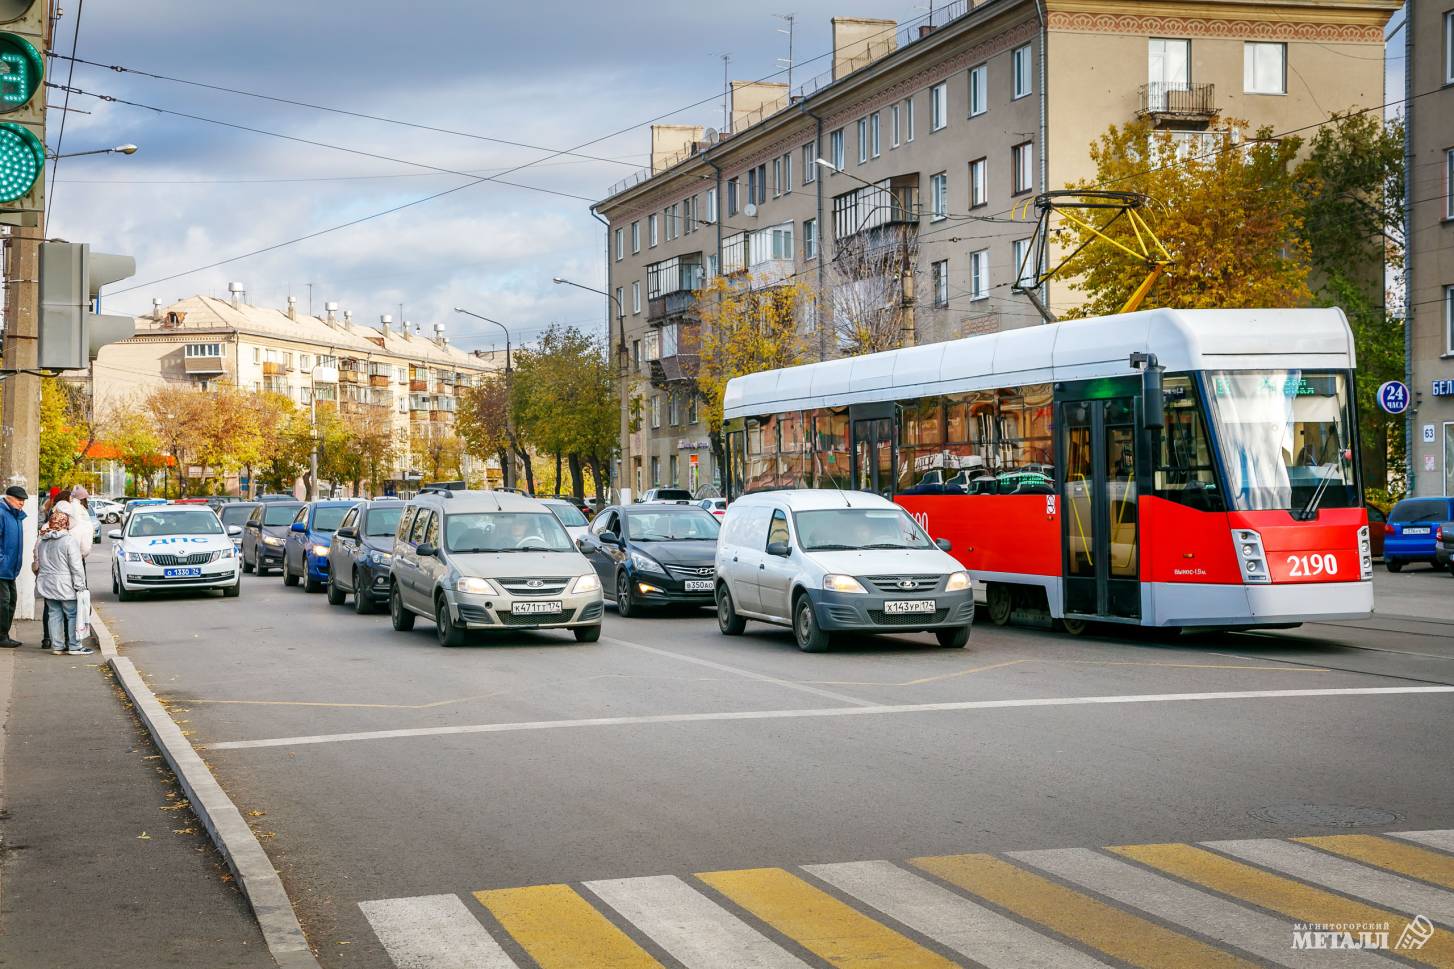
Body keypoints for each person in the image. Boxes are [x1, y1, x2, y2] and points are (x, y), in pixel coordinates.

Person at [35, 508, 91, 656]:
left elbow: (38, 563)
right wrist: (80, 586)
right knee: (72, 614)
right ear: (65, 524)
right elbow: (76, 566)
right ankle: (74, 645)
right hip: (65, 585)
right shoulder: (68, 541)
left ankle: (57, 646)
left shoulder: (43, 540)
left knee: (54, 614)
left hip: (47, 584)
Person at [0, 485, 27, 648]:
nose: (22, 503)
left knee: (10, 601)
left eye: (23, 500)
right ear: (8, 498)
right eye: (19, 499)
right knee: (4, 602)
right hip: (2, 568)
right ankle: (2, 636)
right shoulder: (2, 514)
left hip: (10, 568)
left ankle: (4, 635)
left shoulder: (16, 516)